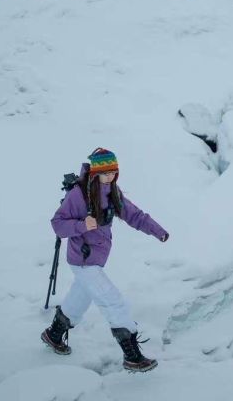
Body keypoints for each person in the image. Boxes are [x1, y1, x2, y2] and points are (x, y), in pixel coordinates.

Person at [42, 148, 170, 373]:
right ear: (95, 173)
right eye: (105, 173)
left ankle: (53, 335)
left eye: (113, 172)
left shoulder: (112, 191)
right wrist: (82, 226)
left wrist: (158, 231)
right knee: (113, 301)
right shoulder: (78, 195)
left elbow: (134, 215)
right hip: (83, 260)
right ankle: (133, 357)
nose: (110, 177)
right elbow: (57, 223)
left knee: (78, 302)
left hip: (96, 259)